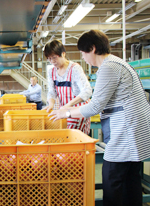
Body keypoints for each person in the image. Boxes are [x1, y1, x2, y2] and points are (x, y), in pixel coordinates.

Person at [49, 30, 150, 206]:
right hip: (132, 130)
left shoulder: (109, 67)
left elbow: (95, 106)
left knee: (112, 180)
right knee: (130, 180)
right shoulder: (116, 63)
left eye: (83, 52)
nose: (83, 57)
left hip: (126, 131)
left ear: (93, 48)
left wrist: (65, 112)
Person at [43, 40, 92, 134]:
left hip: (78, 110)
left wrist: (68, 105)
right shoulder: (51, 72)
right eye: (49, 58)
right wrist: (51, 104)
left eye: (54, 57)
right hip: (64, 111)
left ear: (63, 54)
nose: (52, 61)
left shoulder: (75, 68)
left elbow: (87, 91)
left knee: (74, 138)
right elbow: (52, 92)